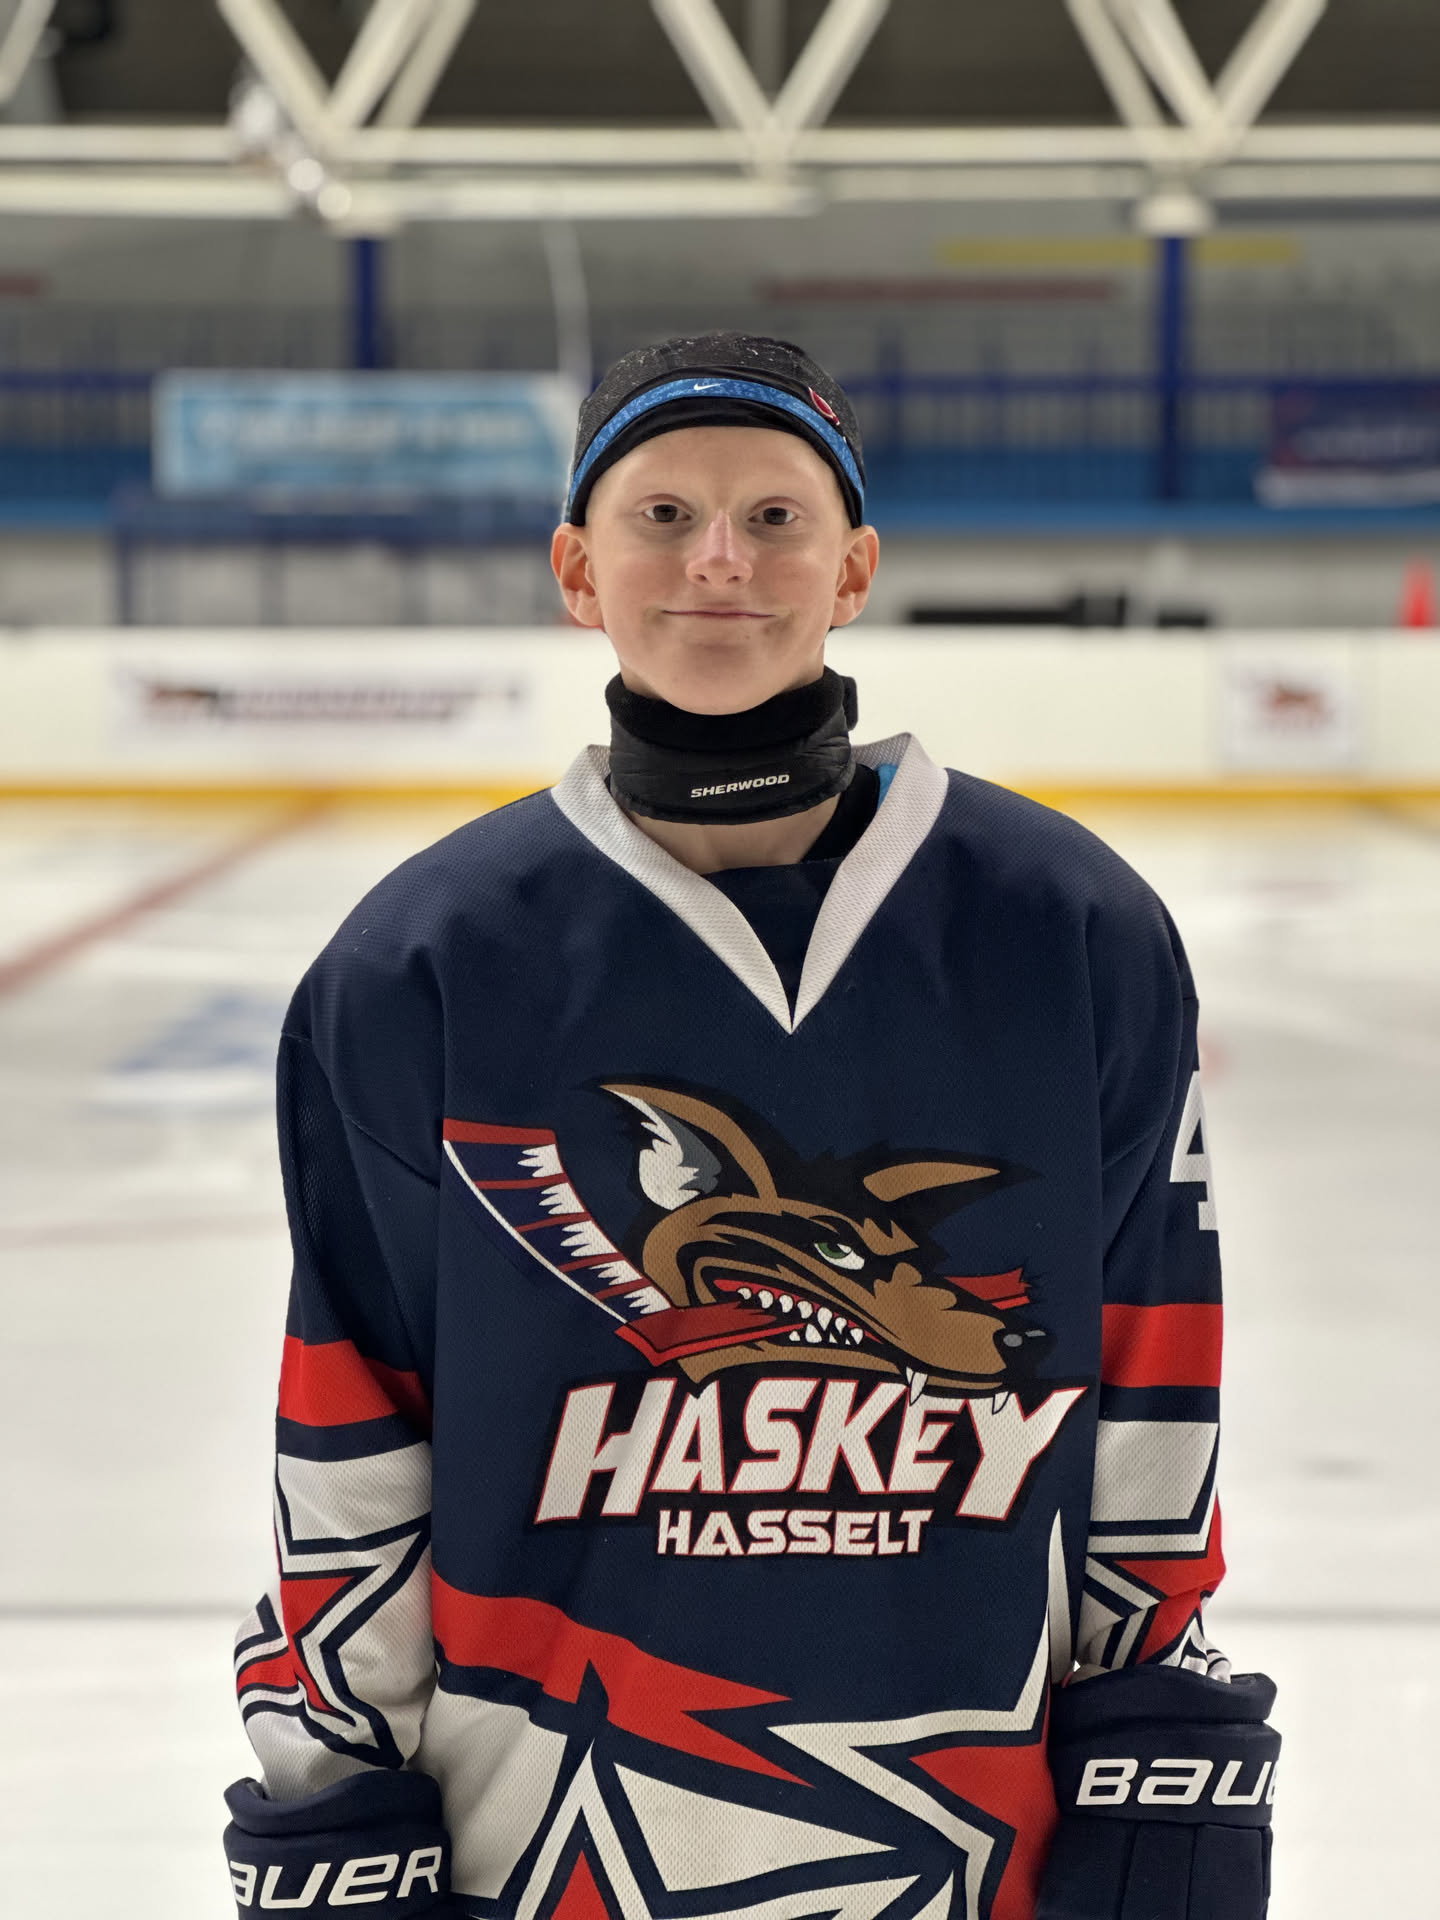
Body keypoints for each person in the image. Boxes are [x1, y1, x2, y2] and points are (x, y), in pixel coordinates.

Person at [222, 334, 1279, 1920]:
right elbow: (354, 1425)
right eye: (662, 516)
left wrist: (1163, 1750)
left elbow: (1153, 1384)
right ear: (578, 571)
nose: (719, 558)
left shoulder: (1069, 930)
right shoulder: (423, 964)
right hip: (547, 1848)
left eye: (775, 517)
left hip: (972, 1851)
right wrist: (333, 1804)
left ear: (853, 568)